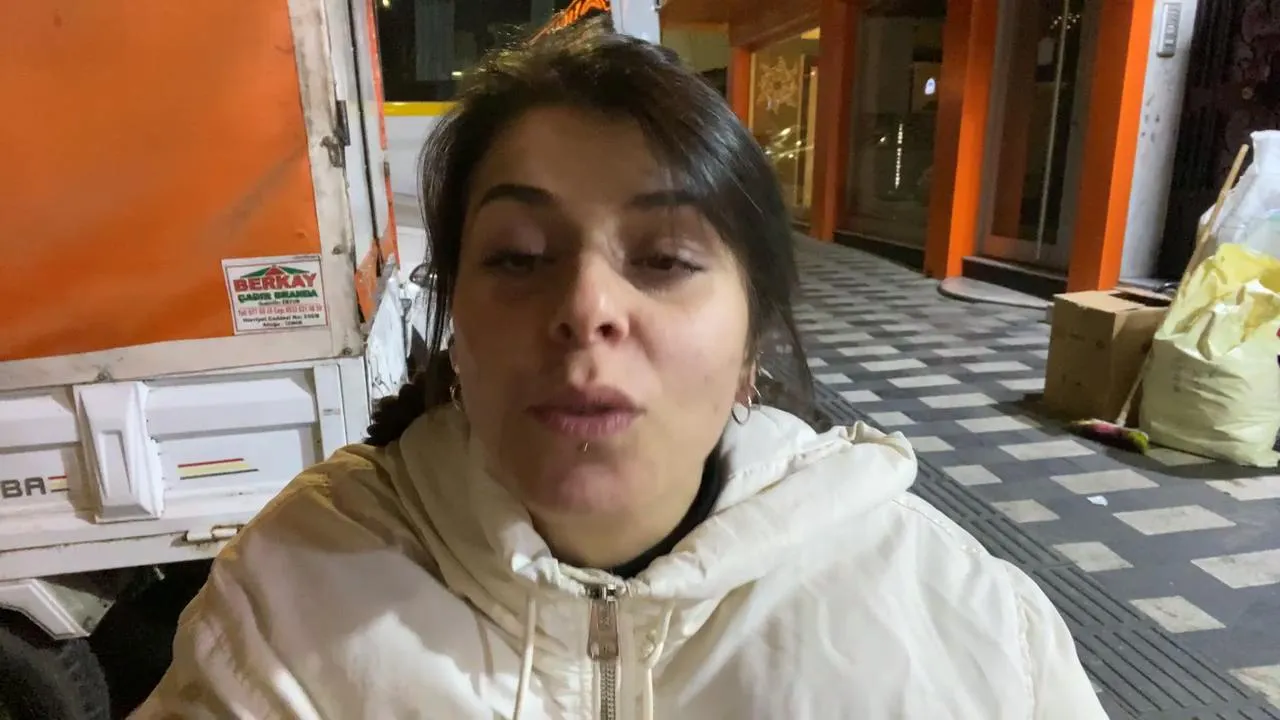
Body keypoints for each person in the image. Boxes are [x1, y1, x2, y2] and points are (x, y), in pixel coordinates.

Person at [135, 19, 1106, 720]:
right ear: (453, 327)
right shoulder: (284, 608)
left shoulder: (964, 629)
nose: (586, 306)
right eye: (519, 257)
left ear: (750, 345)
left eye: (665, 259)